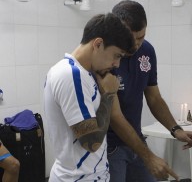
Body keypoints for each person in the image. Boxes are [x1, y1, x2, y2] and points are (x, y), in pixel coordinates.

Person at [107, 0, 192, 182]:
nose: (137, 44)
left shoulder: (147, 51)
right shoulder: (107, 57)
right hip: (111, 146)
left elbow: (154, 97)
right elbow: (115, 117)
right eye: (133, 39)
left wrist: (175, 129)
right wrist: (149, 157)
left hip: (136, 140)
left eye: (142, 37)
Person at [44, 13, 135, 182]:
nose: (117, 64)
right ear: (98, 44)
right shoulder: (71, 75)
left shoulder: (85, 73)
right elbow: (91, 142)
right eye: (117, 55)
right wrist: (108, 94)